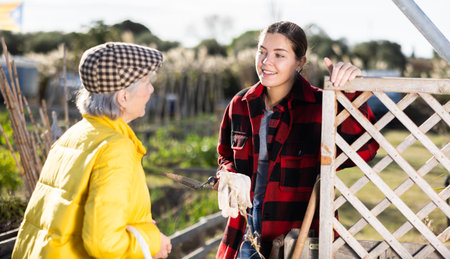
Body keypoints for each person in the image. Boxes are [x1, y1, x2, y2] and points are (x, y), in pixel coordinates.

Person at [215, 21, 380, 258]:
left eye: (279, 55)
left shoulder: (322, 106)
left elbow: (364, 150)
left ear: (299, 63)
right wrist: (228, 176)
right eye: (262, 51)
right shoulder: (240, 104)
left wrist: (351, 94)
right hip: (245, 235)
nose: (265, 61)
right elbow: (226, 155)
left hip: (298, 240)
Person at [12, 42, 172, 259]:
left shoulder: (73, 135)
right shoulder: (116, 148)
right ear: (123, 97)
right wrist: (154, 241)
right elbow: (104, 243)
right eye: (146, 82)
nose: (151, 89)